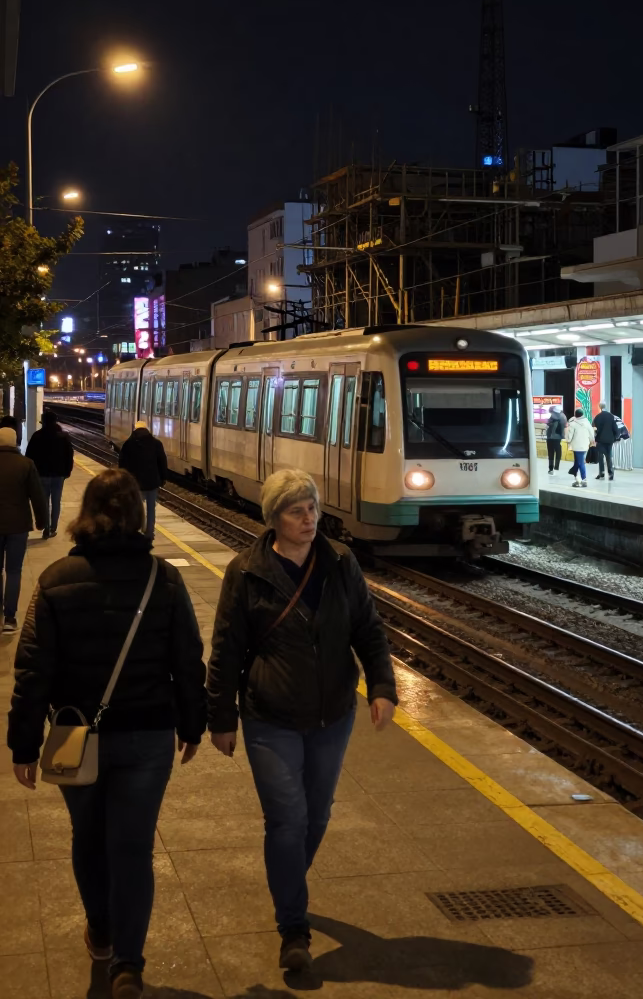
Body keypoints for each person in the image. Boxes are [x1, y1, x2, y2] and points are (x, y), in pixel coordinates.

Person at [7, 468, 207, 999]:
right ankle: (128, 966)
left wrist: (23, 745)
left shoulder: (54, 581)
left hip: (75, 735)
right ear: (138, 516)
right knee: (133, 847)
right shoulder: (164, 580)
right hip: (146, 738)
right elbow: (188, 659)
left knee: (89, 839)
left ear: (83, 515)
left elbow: (32, 670)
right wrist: (193, 723)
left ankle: (100, 929)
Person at [207, 468, 398, 974]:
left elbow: (368, 629)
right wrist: (220, 716)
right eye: (297, 510)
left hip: (333, 713)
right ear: (274, 518)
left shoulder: (340, 563)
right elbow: (225, 651)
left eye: (312, 507)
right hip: (270, 715)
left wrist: (382, 687)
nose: (309, 518)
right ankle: (293, 927)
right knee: (287, 820)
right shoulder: (245, 571)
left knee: (316, 817)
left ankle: (287, 879)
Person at [0, 425, 48, 634]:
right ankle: (10, 618)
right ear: (15, 442)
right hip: (18, 525)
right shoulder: (26, 464)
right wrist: (42, 521)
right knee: (13, 571)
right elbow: (37, 495)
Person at [25, 409, 75, 538]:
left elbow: (29, 456)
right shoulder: (63, 437)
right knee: (56, 501)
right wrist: (67, 471)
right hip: (59, 475)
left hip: (42, 475)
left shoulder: (37, 436)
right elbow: (69, 455)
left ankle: (46, 528)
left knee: (44, 501)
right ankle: (53, 528)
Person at [119, 421, 167, 540]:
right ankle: (149, 532)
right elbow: (162, 462)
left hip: (135, 484)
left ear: (134, 429)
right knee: (151, 509)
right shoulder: (156, 443)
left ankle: (137, 531)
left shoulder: (128, 444)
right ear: (147, 430)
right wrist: (162, 478)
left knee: (136, 508)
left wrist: (124, 481)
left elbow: (122, 464)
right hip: (152, 482)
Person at [565, 409, 594, 487]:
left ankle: (584, 479)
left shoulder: (573, 424)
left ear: (575, 415)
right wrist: (592, 441)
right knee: (578, 462)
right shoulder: (587, 422)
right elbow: (591, 433)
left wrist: (568, 441)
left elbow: (570, 436)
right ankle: (577, 479)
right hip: (585, 445)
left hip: (577, 446)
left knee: (580, 462)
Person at [592, 401, 618, 481]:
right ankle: (610, 474)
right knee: (608, 456)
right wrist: (615, 437)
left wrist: (595, 435)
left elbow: (593, 427)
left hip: (600, 440)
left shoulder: (598, 417)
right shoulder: (611, 416)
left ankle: (602, 473)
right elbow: (615, 428)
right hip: (610, 440)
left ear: (600, 407)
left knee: (600, 457)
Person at [545, 406, 566, 474]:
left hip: (552, 436)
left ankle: (551, 468)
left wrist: (549, 424)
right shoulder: (563, 416)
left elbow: (549, 425)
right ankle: (556, 466)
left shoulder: (556, 417)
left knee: (551, 452)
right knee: (557, 451)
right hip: (557, 437)